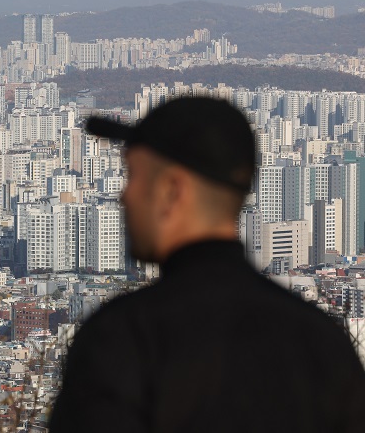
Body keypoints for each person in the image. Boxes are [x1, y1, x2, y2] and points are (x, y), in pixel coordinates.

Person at [48, 96, 365, 432]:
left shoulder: (124, 339)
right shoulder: (322, 345)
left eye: (134, 177)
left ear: (172, 190)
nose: (124, 196)